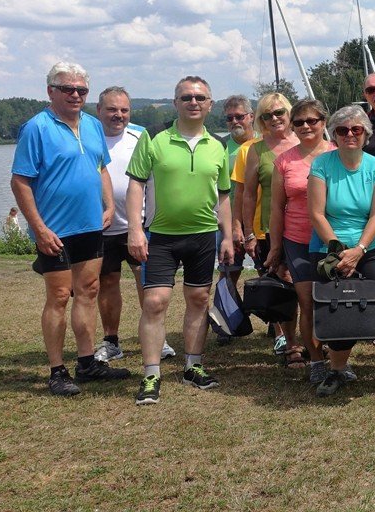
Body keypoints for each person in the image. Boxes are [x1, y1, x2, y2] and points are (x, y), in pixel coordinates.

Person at [11, 62, 128, 396]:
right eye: (67, 89)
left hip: (90, 226)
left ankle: (88, 361)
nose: (75, 95)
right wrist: (38, 228)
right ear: (51, 91)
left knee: (88, 291)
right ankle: (57, 370)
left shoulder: (92, 125)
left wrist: (108, 205)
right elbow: (20, 181)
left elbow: (101, 167)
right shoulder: (36, 128)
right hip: (54, 230)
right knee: (60, 296)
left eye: (81, 90)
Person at [126, 76, 234, 405]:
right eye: (186, 97)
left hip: (203, 236)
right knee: (155, 302)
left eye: (200, 97)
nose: (193, 102)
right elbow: (136, 186)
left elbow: (224, 196)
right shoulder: (154, 139)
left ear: (210, 104)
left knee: (199, 301)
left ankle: (193, 366)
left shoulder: (217, 146)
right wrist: (135, 229)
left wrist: (228, 236)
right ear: (176, 103)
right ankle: (151, 373)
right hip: (160, 237)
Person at [308, 105, 375, 397]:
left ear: (366, 134)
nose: (350, 135)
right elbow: (317, 213)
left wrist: (359, 250)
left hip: (371, 246)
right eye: (342, 130)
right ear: (334, 134)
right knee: (337, 307)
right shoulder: (321, 164)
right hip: (330, 247)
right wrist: (340, 252)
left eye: (356, 130)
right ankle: (337, 370)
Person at [93, 86, 172, 364]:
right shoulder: (90, 138)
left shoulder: (140, 138)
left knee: (148, 283)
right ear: (98, 110)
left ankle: (156, 339)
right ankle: (111, 341)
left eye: (124, 110)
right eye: (112, 109)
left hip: (138, 226)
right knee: (108, 282)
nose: (119, 115)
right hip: (102, 228)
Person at [266, 98, 336, 384]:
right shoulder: (285, 160)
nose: (306, 126)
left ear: (324, 122)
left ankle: (336, 354)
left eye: (312, 121)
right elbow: (276, 207)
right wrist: (275, 247)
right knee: (307, 302)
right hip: (297, 240)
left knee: (331, 300)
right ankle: (316, 359)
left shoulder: (338, 153)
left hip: (333, 239)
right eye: (299, 122)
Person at [241, 92, 299, 364]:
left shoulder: (308, 141)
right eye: (267, 115)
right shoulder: (256, 149)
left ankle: (315, 340)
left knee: (310, 288)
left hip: (306, 229)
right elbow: (248, 194)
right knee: (282, 287)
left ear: (290, 113)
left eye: (279, 113)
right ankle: (290, 344)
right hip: (268, 231)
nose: (274, 119)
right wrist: (249, 234)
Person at [221, 95, 257, 295]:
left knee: (267, 269)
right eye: (229, 118)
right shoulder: (220, 146)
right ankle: (226, 321)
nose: (234, 121)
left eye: (239, 116)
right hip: (227, 219)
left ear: (251, 116)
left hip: (260, 217)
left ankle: (275, 324)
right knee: (228, 272)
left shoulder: (264, 142)